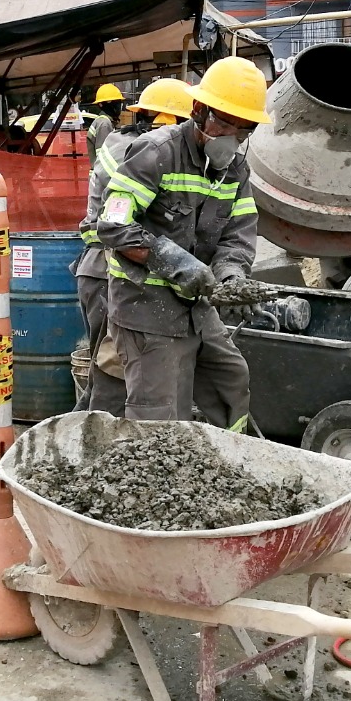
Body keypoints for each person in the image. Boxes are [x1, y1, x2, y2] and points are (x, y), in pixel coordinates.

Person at [95, 57, 269, 429]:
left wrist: (231, 277)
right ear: (198, 110)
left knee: (230, 380)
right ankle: (157, 481)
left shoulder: (236, 170)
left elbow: (238, 234)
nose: (230, 137)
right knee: (161, 415)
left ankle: (224, 460)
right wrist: (169, 259)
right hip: (145, 307)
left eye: (243, 130)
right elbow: (111, 224)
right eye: (223, 123)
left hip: (197, 305)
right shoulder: (157, 152)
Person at [74, 76, 194, 413]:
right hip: (108, 269)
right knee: (114, 372)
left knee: (112, 369)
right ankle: (93, 445)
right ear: (168, 122)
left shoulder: (120, 142)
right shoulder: (139, 153)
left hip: (99, 267)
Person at [86, 83, 125, 161]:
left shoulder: (106, 122)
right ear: (105, 103)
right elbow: (103, 157)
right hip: (103, 172)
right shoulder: (104, 124)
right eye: (117, 102)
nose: (119, 106)